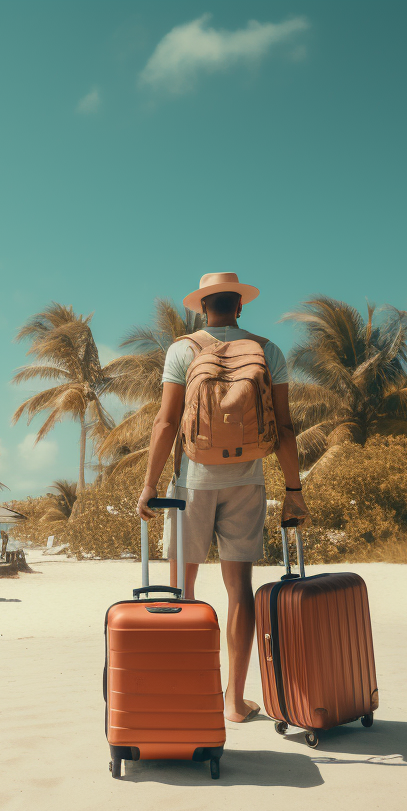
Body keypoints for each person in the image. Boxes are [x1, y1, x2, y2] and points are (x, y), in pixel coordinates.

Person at [136, 271, 308, 723]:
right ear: (240, 307)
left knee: (182, 591)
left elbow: (166, 423)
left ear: (201, 308)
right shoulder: (268, 351)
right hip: (246, 481)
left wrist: (150, 486)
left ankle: (192, 691)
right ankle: (234, 701)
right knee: (239, 590)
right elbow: (285, 428)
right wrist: (294, 492)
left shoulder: (182, 350)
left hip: (192, 482)